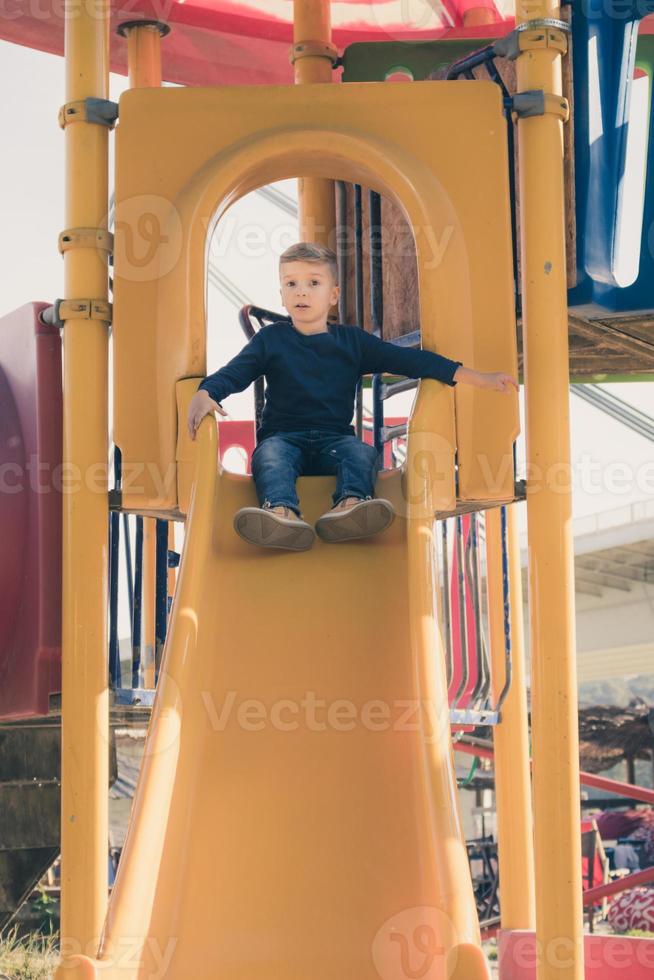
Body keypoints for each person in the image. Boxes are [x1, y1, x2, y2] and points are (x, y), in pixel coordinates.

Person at [187, 241, 518, 551]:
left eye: (313, 283)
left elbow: (413, 361)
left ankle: (351, 505)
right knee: (269, 457)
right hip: (284, 438)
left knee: (361, 453)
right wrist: (207, 392)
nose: (301, 291)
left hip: (335, 439)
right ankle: (281, 513)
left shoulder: (352, 343)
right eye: (291, 284)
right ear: (282, 295)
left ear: (333, 295)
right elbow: (236, 372)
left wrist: (478, 378)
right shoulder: (271, 340)